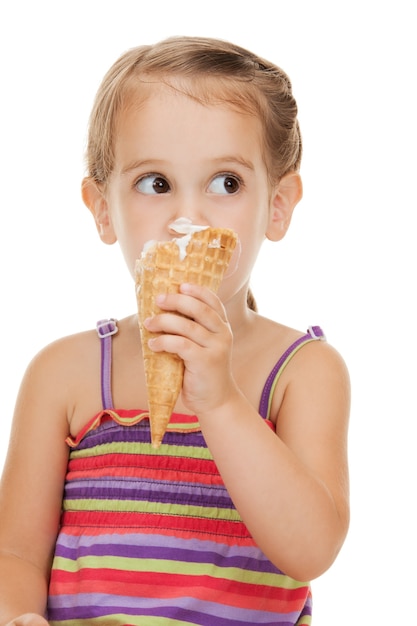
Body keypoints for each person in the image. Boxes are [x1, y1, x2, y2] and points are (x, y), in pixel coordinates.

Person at [0, 36, 350, 625]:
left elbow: (311, 550)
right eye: (155, 184)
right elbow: (14, 552)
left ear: (279, 205)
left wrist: (221, 401)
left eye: (226, 184)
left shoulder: (302, 371)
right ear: (103, 209)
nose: (189, 218)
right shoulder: (63, 375)